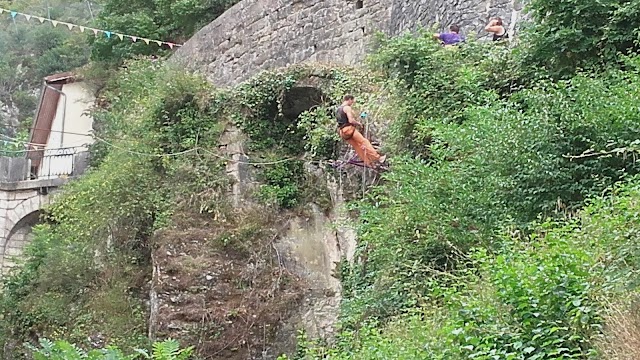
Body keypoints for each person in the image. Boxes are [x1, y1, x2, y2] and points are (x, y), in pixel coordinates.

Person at [336, 95, 386, 168]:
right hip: (349, 129)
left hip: (342, 132)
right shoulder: (347, 108)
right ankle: (378, 158)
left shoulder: (338, 109)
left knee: (357, 147)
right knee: (364, 142)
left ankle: (369, 163)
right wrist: (358, 124)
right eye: (352, 101)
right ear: (349, 99)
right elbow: (351, 120)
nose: (352, 103)